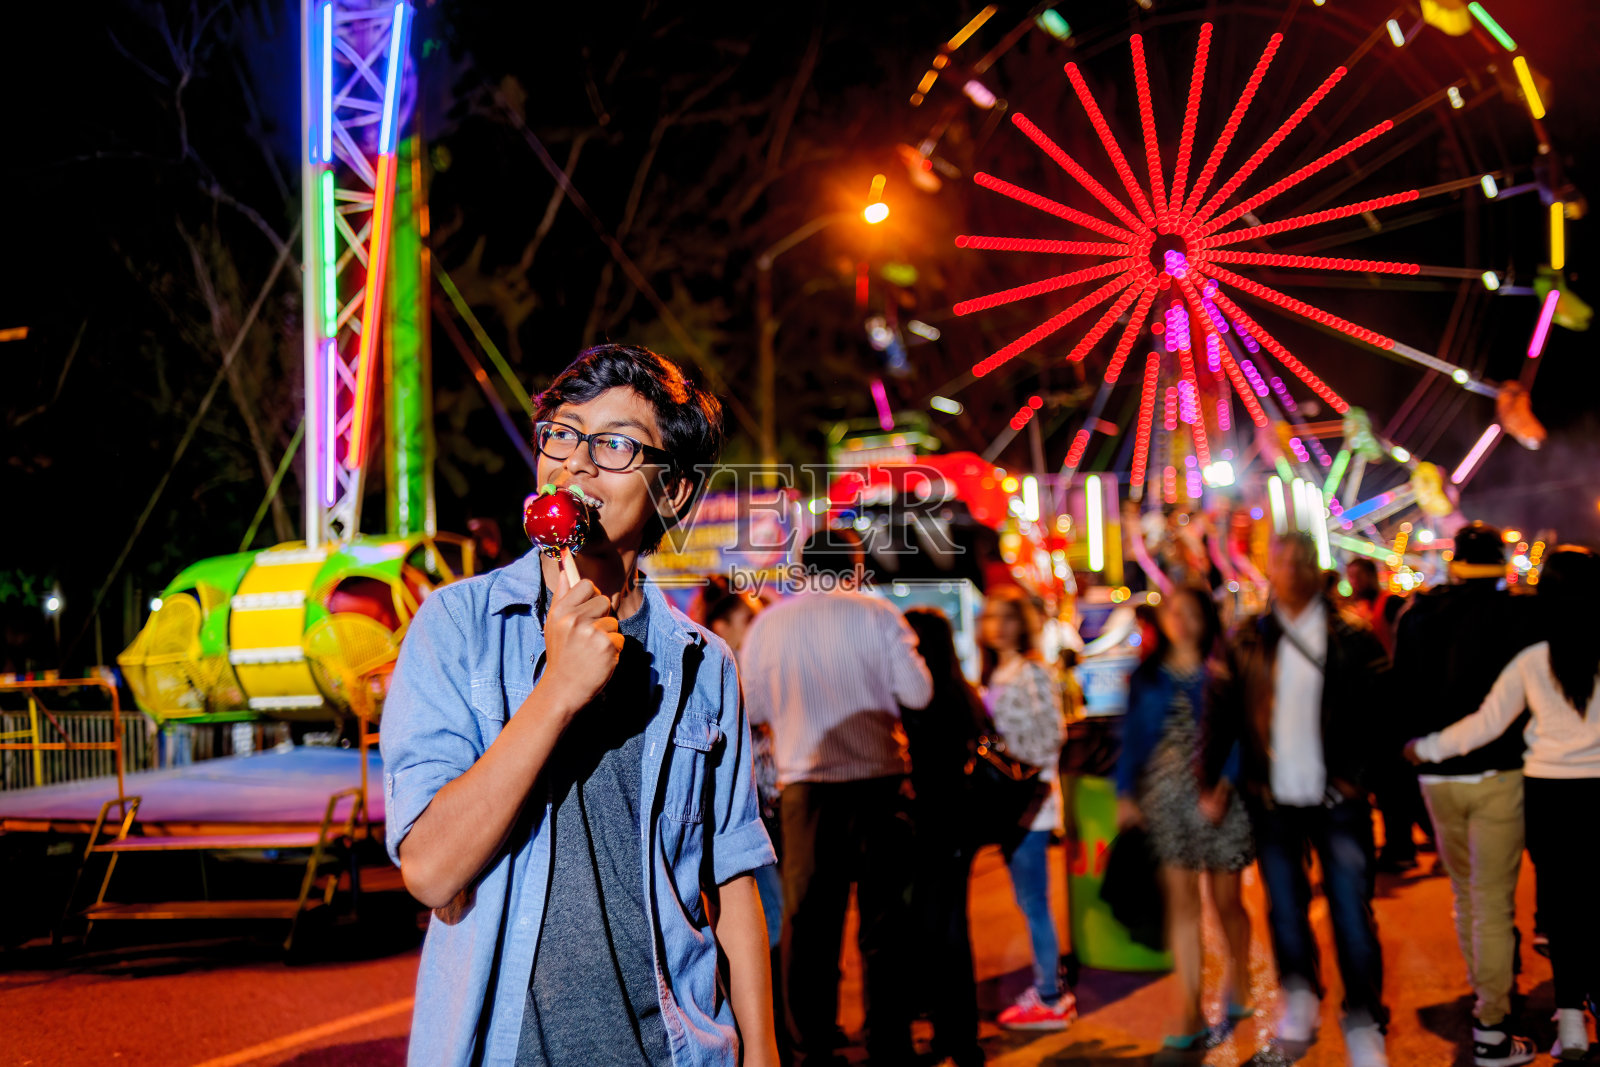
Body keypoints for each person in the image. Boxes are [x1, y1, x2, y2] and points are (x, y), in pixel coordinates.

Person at [381, 345, 778, 1067]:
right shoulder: (457, 628)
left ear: (675, 492)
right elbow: (431, 869)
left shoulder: (703, 663)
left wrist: (763, 1054)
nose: (576, 462)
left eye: (616, 444)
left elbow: (731, 876)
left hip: (677, 1048)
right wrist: (558, 690)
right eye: (562, 433)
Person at [739, 527, 933, 1067]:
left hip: (806, 791)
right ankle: (888, 1042)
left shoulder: (769, 625)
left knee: (810, 927)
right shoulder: (878, 616)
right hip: (879, 785)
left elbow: (750, 710)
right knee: (884, 925)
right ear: (855, 565)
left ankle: (813, 1046)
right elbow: (919, 692)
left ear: (802, 568)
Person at [1202, 532, 1392, 1066]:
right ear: (1269, 568)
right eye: (1279, 561)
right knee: (1285, 911)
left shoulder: (1352, 638)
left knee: (1352, 915)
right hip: (1272, 800)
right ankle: (1301, 1001)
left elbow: (1383, 716)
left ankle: (1364, 1019)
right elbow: (1219, 714)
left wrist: (1357, 779)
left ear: (1315, 568)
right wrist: (1208, 779)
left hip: (1339, 801)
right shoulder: (1246, 639)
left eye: (1299, 560)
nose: (1288, 570)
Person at [1408, 545, 1600, 1062]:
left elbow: (1487, 723)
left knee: (1559, 910)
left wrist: (1425, 748)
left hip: (1548, 794)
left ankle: (1573, 1025)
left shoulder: (1535, 659)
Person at [1391, 521, 1539, 1067]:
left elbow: (1400, 694)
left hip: (1435, 774)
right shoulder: (1520, 617)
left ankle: (1487, 992)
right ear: (1500, 563)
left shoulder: (1418, 616)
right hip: (1499, 774)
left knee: (1465, 895)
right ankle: (1492, 1024)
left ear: (1454, 561)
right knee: (1493, 902)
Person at [1116, 585, 1255, 1051]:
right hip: (1166, 801)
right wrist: (1125, 792)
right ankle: (1190, 1007)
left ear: (1206, 620)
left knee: (1226, 902)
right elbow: (1132, 737)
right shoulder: (1146, 677)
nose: (1182, 621)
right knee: (1183, 907)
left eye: (1192, 613)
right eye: (1175, 612)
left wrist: (1224, 784)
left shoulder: (1222, 671)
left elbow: (1240, 732)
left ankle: (1240, 978)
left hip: (1219, 798)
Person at [978, 585, 1077, 1032]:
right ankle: (1049, 986)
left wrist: (1010, 760)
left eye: (1005, 617)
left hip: (1029, 805)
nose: (995, 626)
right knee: (1029, 899)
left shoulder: (1031, 672)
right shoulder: (996, 672)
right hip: (1009, 804)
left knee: (1034, 902)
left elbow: (1050, 737)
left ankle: (1052, 996)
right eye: (990, 616)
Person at [902, 607, 988, 1067]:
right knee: (947, 929)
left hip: (937, 824)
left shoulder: (928, 697)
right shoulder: (959, 691)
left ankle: (956, 1036)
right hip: (956, 824)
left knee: (942, 931)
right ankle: (956, 1034)